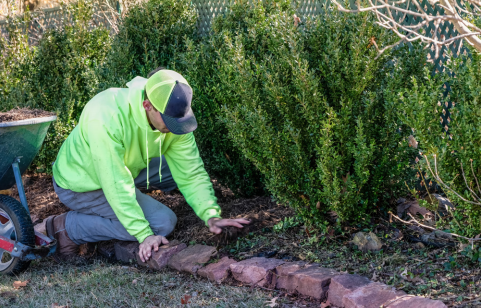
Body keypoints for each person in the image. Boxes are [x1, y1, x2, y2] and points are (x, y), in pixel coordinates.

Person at [46, 67, 250, 262]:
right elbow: (115, 182)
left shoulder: (174, 112)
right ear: (147, 106)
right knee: (162, 223)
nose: (175, 127)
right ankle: (67, 228)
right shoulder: (106, 116)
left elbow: (191, 171)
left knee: (174, 168)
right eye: (169, 121)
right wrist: (143, 234)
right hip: (81, 183)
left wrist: (211, 215)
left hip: (126, 166)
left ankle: (131, 206)